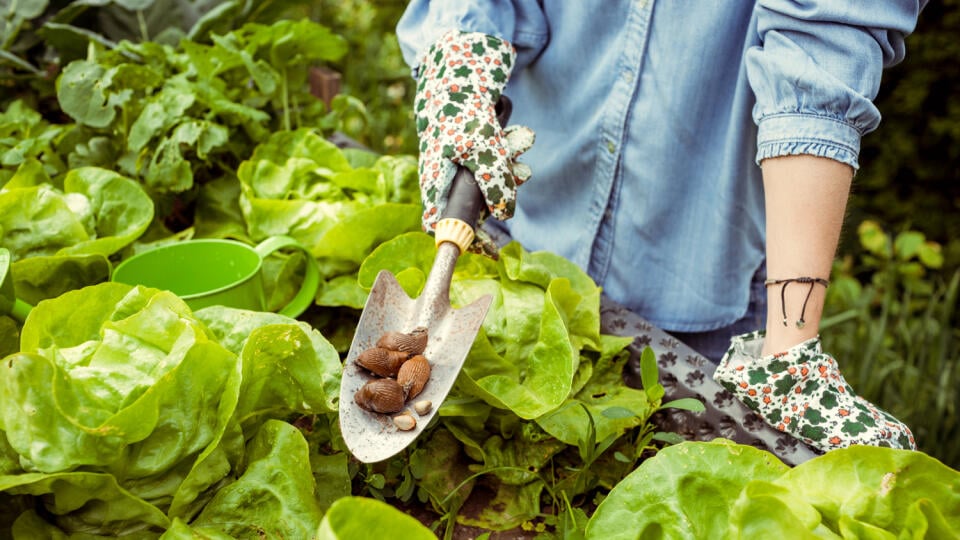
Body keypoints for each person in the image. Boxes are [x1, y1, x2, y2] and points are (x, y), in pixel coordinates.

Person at [395, 2, 924, 453]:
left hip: (707, 281)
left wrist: (788, 350)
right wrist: (459, 69)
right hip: (524, 243)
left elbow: (823, 45)